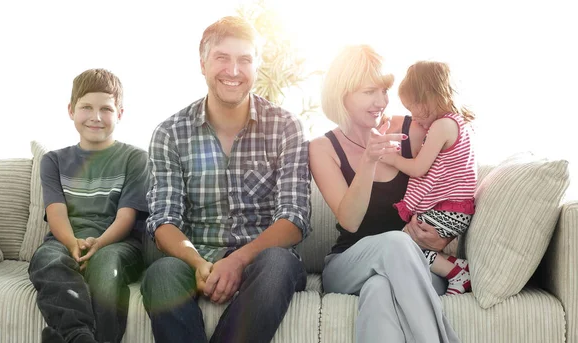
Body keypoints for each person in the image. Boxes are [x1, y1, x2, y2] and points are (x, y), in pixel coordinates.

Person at [140, 16, 311, 343]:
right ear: (203, 64)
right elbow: (164, 221)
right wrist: (198, 263)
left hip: (263, 261)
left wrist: (236, 261)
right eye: (222, 58)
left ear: (256, 66)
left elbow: (294, 218)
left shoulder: (286, 127)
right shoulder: (170, 133)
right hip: (195, 260)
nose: (233, 71)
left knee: (278, 263)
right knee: (161, 273)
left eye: (244, 60)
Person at [309, 45, 460, 342]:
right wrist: (369, 161)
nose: (381, 101)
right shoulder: (322, 148)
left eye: (384, 90)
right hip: (349, 263)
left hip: (418, 264)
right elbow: (350, 221)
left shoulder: (412, 129)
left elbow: (452, 180)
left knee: (379, 288)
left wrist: (445, 235)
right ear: (343, 94)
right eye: (369, 92)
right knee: (394, 242)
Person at [28, 69, 149, 343]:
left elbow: (126, 216)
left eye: (106, 109)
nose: (96, 117)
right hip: (65, 240)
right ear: (71, 110)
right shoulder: (54, 161)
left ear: (119, 113)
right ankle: (78, 336)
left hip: (118, 244)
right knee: (47, 260)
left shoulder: (136, 158)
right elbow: (56, 212)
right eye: (86, 107)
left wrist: (100, 244)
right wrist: (72, 243)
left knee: (105, 265)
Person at [379, 61, 477, 295]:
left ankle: (457, 274)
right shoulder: (456, 123)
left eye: (414, 108)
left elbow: (418, 169)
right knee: (406, 243)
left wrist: (391, 159)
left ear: (430, 97)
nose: (413, 117)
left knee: (403, 245)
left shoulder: (442, 126)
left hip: (448, 211)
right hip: (455, 211)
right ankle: (456, 265)